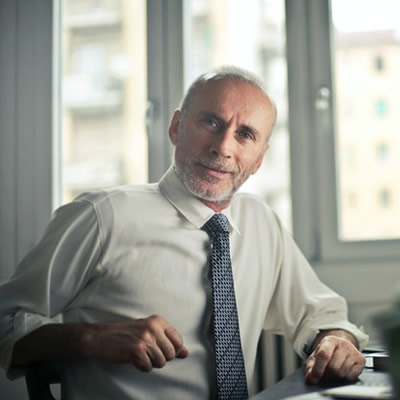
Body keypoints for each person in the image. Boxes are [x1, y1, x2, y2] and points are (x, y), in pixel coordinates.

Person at [0, 66, 368, 399]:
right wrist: (91, 337)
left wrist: (336, 340)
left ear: (258, 159)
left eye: (245, 134)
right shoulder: (101, 217)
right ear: (176, 126)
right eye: (211, 122)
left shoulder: (261, 221)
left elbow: (320, 313)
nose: (223, 147)